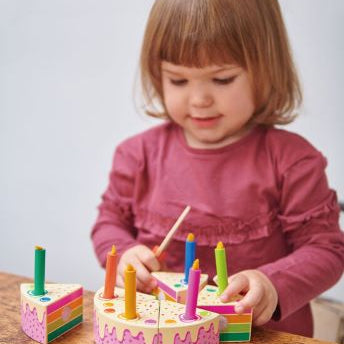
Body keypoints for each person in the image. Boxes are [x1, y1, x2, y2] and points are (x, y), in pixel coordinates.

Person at [91, 0, 344, 337]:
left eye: (222, 79)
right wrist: (124, 256)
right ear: (157, 74)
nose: (199, 99)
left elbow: (326, 250)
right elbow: (109, 222)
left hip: (261, 334)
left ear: (266, 71)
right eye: (178, 81)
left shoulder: (292, 161)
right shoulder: (137, 156)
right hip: (160, 331)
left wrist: (272, 284)